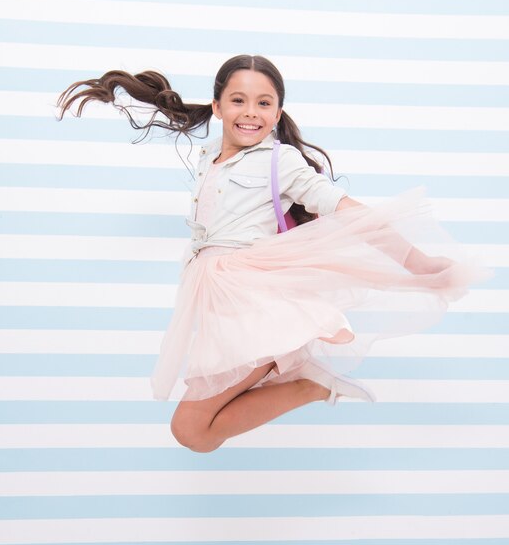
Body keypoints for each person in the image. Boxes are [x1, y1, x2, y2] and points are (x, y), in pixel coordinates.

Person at [57, 54, 488, 453]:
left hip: (255, 303)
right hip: (218, 302)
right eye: (238, 100)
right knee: (192, 432)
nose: (251, 112)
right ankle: (313, 383)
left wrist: (418, 263)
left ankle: (314, 385)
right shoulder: (209, 157)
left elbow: (348, 212)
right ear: (217, 105)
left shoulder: (281, 162)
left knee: (190, 429)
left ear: (277, 113)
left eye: (264, 103)